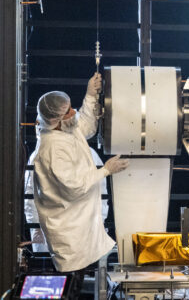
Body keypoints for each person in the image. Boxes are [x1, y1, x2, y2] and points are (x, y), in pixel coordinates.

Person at [31, 73, 129, 273]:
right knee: (74, 278)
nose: (73, 112)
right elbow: (74, 186)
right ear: (55, 119)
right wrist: (106, 170)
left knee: (86, 273)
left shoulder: (62, 129)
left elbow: (84, 126)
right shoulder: (51, 149)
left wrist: (91, 94)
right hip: (69, 231)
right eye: (68, 112)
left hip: (80, 223)